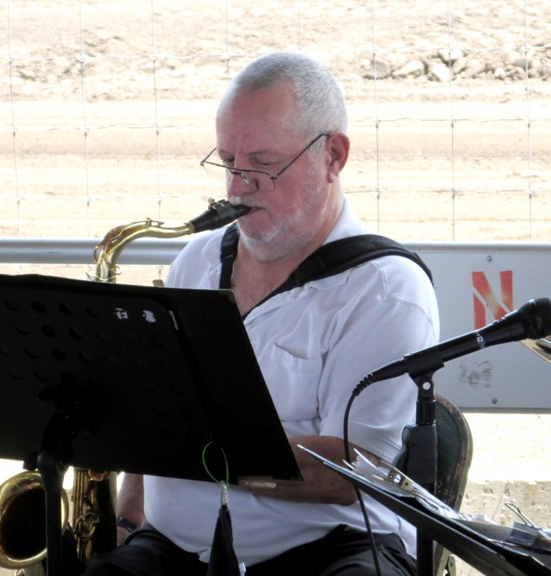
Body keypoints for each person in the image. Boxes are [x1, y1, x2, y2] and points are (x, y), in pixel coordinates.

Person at [84, 51, 439, 576]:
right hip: (176, 547)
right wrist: (128, 520)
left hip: (333, 552)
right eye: (229, 162)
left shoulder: (386, 289)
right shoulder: (196, 261)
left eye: (263, 165)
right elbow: (156, 410)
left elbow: (349, 471)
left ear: (333, 156)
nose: (235, 188)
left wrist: (191, 444)